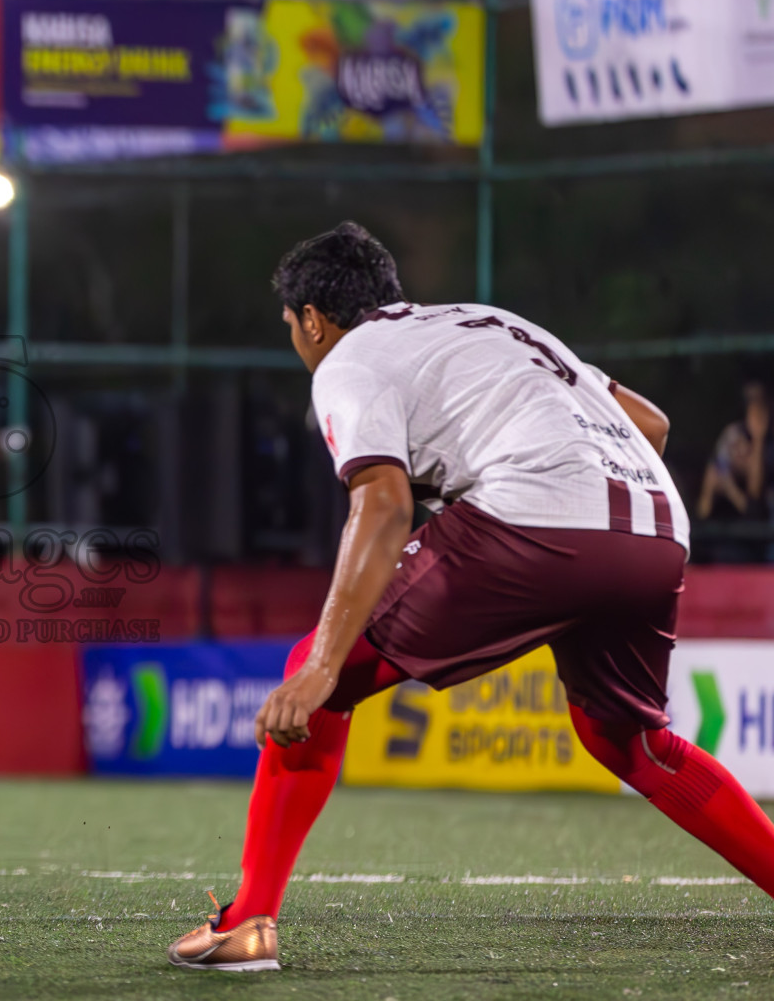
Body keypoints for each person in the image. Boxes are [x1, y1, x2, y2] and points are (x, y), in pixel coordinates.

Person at [167, 222, 774, 972]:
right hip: (656, 528)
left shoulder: (348, 362)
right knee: (631, 741)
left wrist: (324, 664)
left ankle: (248, 921)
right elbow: (650, 424)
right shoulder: (493, 325)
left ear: (314, 321)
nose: (297, 338)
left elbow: (382, 503)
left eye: (292, 325)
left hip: (538, 522)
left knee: (314, 678)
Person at [697, 381, 769, 521]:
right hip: (719, 527)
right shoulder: (732, 434)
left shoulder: (766, 442)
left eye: (759, 404)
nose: (754, 410)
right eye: (750, 403)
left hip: (755, 530)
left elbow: (754, 499)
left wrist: (758, 439)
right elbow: (703, 510)